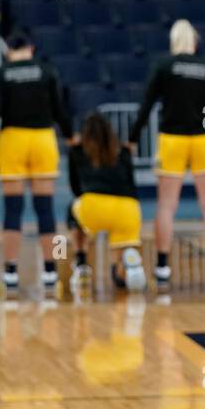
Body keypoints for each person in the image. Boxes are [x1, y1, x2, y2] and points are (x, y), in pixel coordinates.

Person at [131, 19, 205, 290]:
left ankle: (162, 266)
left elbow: (147, 104)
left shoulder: (163, 67)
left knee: (166, 206)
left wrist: (133, 138)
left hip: (172, 139)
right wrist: (204, 121)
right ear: (194, 41)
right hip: (203, 140)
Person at [0, 32, 73, 296]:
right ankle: (51, 269)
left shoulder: (1, 73)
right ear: (31, 48)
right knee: (46, 210)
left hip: (13, 138)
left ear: (8, 51)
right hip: (43, 139)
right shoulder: (47, 71)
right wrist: (71, 135)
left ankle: (10, 272)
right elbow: (60, 109)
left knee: (13, 210)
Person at [67, 111, 145, 293]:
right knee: (118, 276)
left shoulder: (77, 152)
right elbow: (131, 185)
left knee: (71, 213)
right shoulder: (123, 152)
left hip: (93, 207)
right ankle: (125, 265)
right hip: (127, 209)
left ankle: (81, 263)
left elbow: (76, 188)